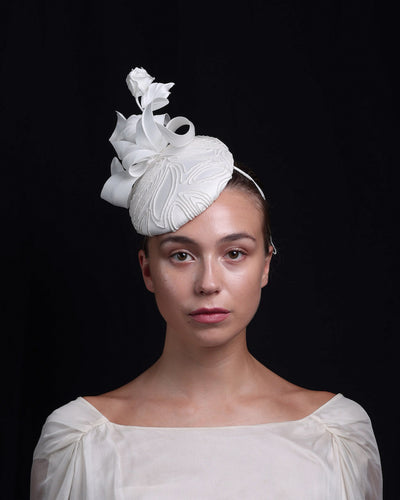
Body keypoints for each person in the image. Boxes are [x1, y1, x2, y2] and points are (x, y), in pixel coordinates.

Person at [31, 67, 382, 499]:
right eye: (182, 255)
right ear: (147, 270)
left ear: (266, 264)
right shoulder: (80, 441)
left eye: (234, 253)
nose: (208, 283)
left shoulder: (337, 435)